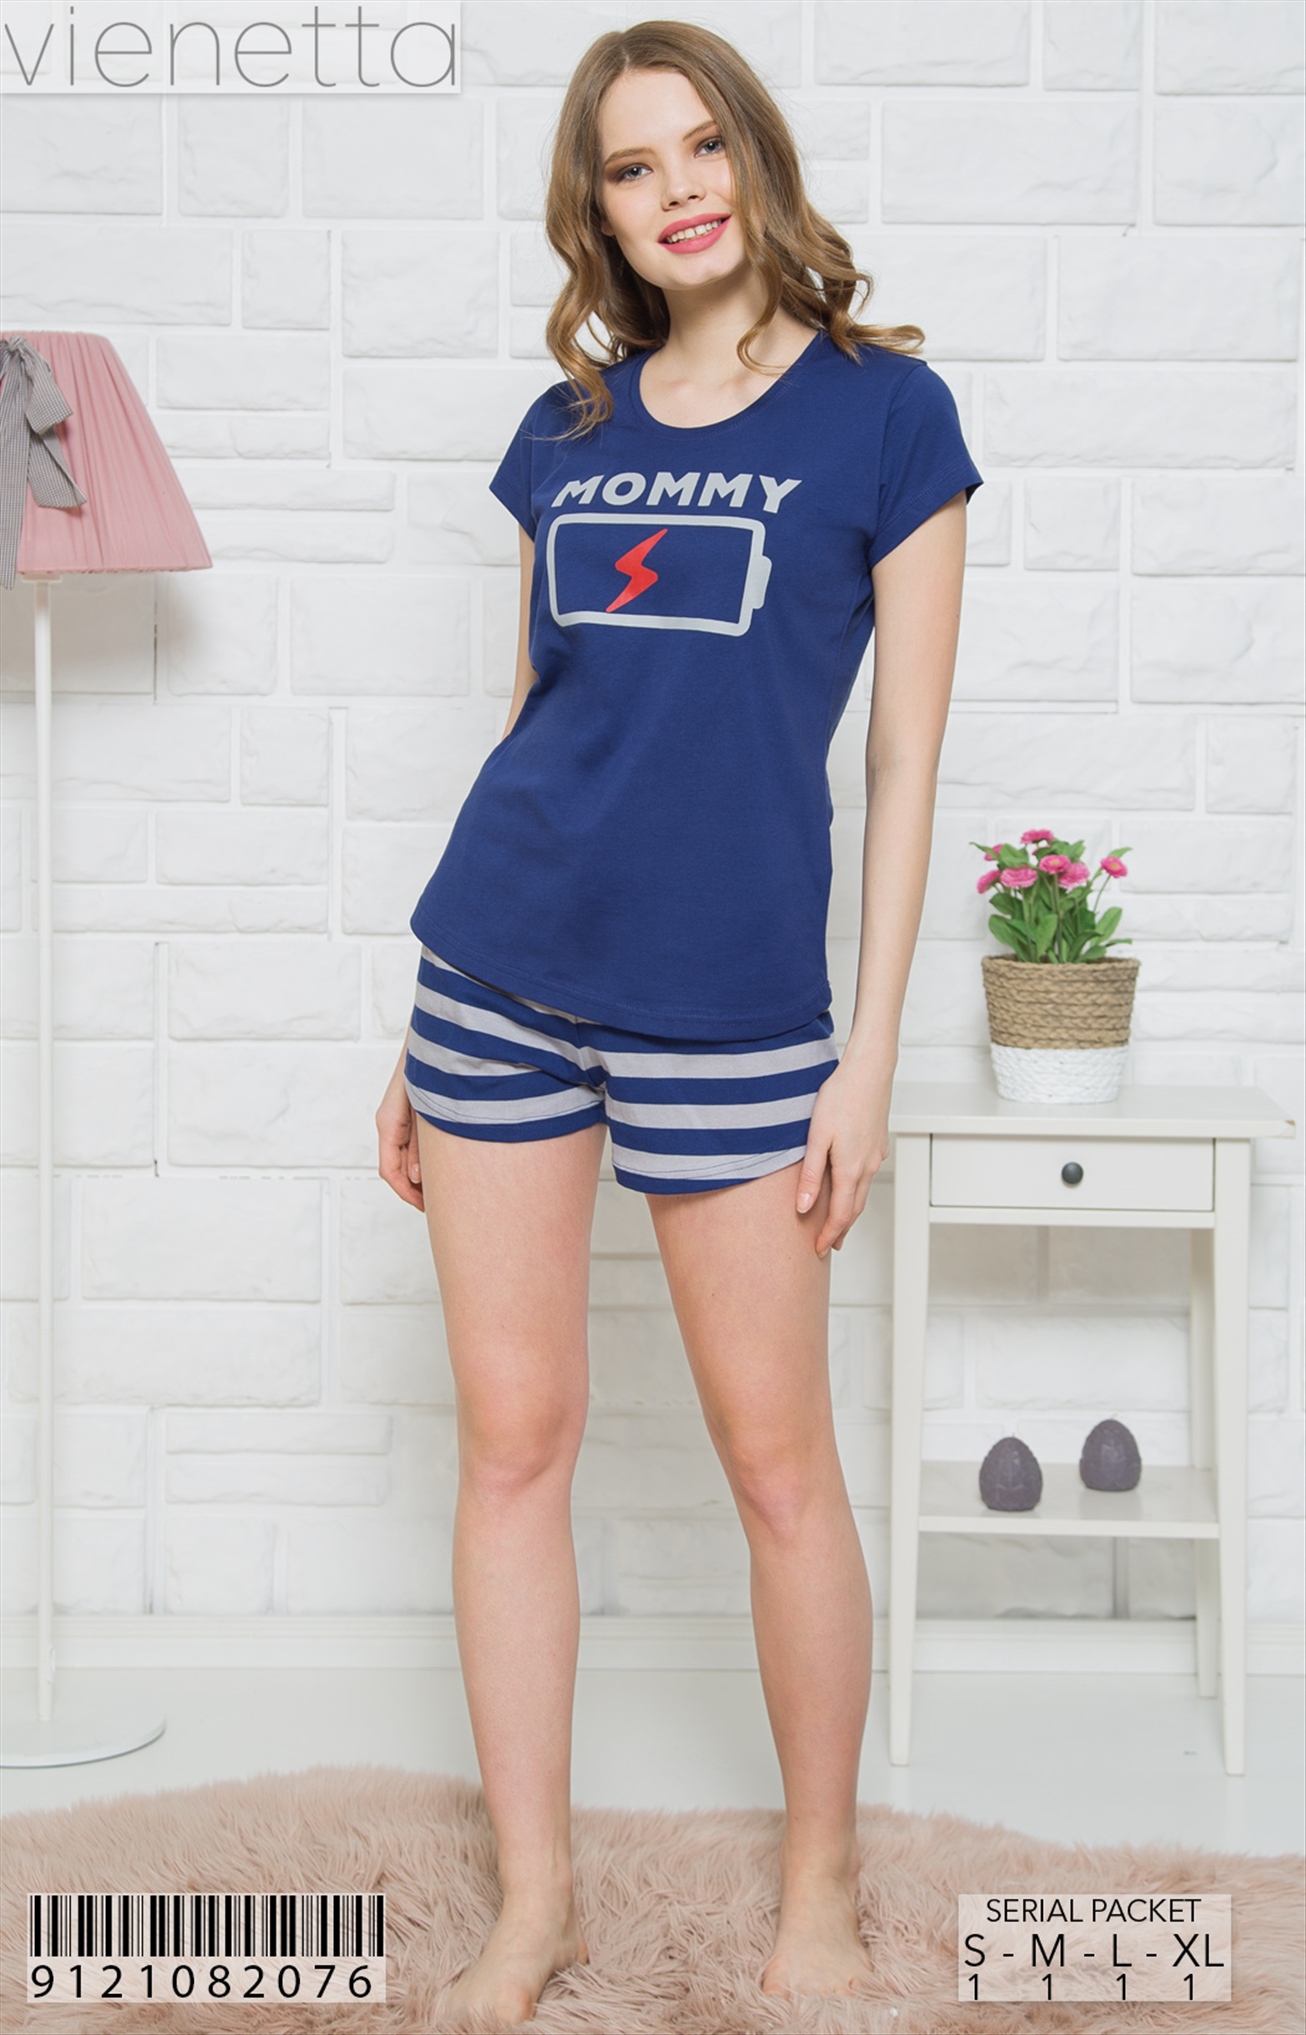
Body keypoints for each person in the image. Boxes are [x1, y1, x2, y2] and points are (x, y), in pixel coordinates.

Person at [376, 18, 982, 2024]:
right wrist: (412, 1036)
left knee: (776, 1465)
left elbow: (901, 763)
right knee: (512, 1447)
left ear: (756, 159)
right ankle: (534, 1902)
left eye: (701, 146)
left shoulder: (885, 418)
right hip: (495, 975)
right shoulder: (564, 430)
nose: (677, 190)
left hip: (733, 1015)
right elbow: (534, 714)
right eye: (631, 168)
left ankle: (819, 1890)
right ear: (601, 213)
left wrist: (864, 1058)